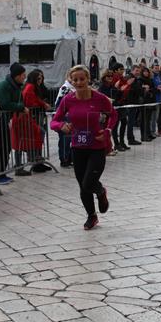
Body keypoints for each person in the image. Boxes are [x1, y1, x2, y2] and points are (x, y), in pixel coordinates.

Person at [50, 65, 118, 230]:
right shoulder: (68, 100)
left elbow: (113, 115)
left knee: (89, 183)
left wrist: (107, 131)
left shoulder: (99, 98)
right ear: (71, 81)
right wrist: (61, 126)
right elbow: (54, 121)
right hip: (78, 147)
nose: (79, 82)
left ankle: (101, 192)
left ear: (88, 79)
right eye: (75, 80)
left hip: (96, 146)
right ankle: (91, 216)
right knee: (83, 185)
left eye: (82, 79)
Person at [0, 63, 27, 180]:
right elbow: (4, 104)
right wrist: (20, 107)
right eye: (23, 75)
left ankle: (1, 173)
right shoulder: (4, 86)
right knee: (1, 148)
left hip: (4, 120)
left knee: (6, 147)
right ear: (16, 76)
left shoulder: (15, 86)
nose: (24, 77)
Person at [19, 69, 52, 173]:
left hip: (37, 115)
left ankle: (38, 161)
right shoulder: (30, 87)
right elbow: (31, 101)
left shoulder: (34, 87)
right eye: (38, 78)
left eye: (41, 77)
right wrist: (42, 104)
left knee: (39, 135)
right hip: (33, 116)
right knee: (37, 135)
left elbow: (37, 98)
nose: (40, 80)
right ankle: (35, 159)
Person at [54, 77, 75, 165]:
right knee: (65, 139)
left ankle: (69, 158)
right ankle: (64, 159)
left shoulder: (73, 88)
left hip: (71, 117)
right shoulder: (65, 88)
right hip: (64, 118)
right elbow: (60, 104)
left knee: (70, 139)